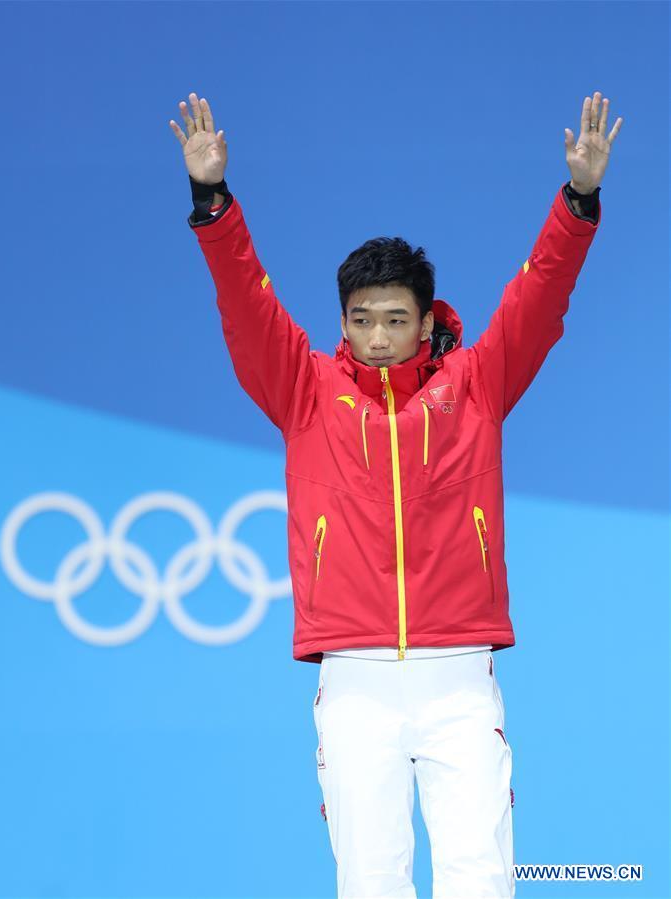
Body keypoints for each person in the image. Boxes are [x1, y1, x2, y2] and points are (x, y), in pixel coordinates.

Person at [169, 91, 622, 899]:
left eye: (393, 318)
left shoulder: (475, 385)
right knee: (370, 881)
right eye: (360, 319)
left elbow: (541, 299)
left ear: (425, 322)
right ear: (342, 323)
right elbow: (245, 304)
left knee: (479, 878)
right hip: (354, 677)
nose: (376, 336)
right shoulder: (305, 391)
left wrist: (578, 204)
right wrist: (214, 203)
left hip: (459, 670)